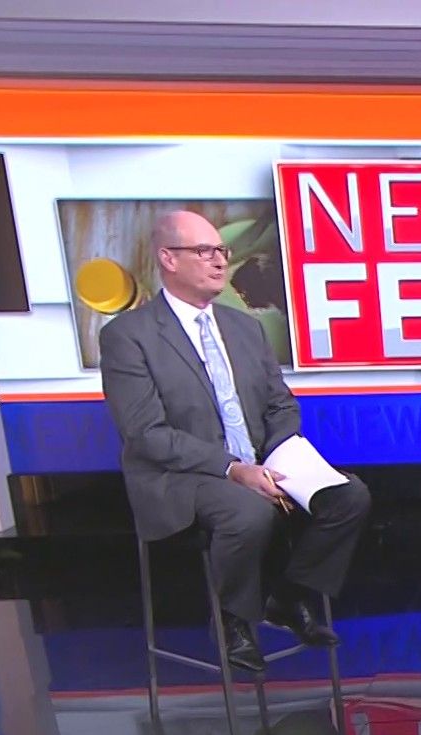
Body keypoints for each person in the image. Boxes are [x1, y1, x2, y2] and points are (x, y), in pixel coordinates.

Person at [101, 210, 371, 674]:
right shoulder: (128, 336)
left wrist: (282, 456)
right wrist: (234, 469)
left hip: (260, 462)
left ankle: (288, 596)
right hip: (182, 475)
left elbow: (281, 405)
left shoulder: (245, 327)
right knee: (248, 511)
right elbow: (145, 433)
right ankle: (233, 619)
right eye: (204, 251)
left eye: (221, 250)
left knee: (350, 496)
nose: (220, 261)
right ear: (168, 258)